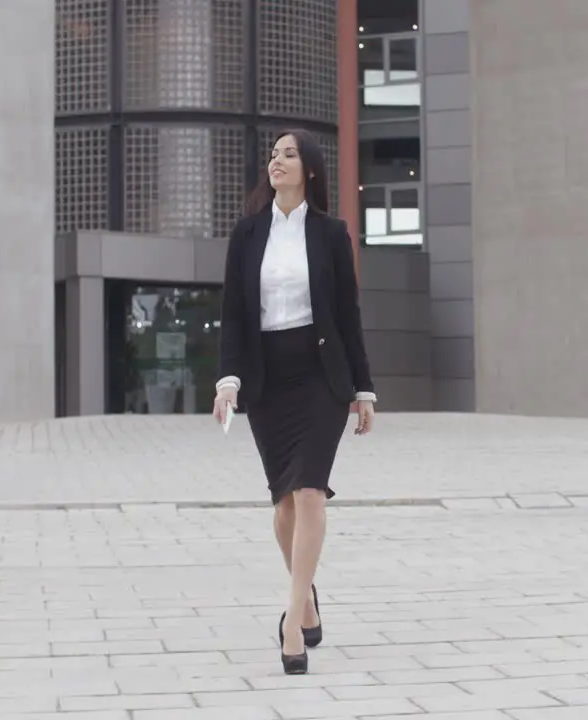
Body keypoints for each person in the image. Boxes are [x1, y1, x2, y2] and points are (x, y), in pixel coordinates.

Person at [212, 129, 376, 675]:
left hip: (319, 374)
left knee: (310, 492)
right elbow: (235, 314)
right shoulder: (248, 233)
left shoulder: (331, 234)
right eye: (273, 155)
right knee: (283, 502)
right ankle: (305, 598)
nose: (276, 162)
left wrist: (364, 390)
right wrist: (227, 381)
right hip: (267, 378)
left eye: (287, 154)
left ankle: (290, 621)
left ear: (309, 168)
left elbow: (348, 315)